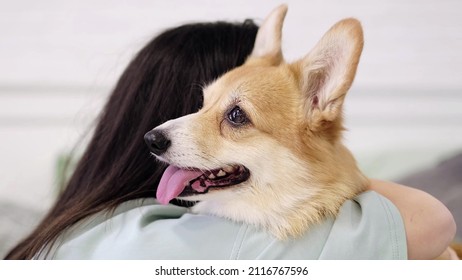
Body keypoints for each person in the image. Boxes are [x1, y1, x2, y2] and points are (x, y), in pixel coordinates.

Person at [5, 20, 456, 260]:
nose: (178, 126)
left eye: (234, 116)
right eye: (205, 105)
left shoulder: (79, 226)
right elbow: (433, 222)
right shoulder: (225, 246)